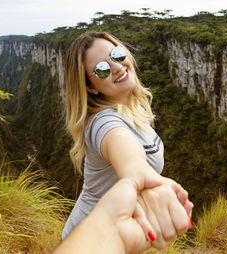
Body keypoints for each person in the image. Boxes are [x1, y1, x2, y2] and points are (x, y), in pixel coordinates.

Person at [62, 31, 193, 249]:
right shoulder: (102, 122)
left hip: (117, 237)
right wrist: (145, 178)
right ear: (91, 87)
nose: (116, 66)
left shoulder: (132, 110)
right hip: (88, 241)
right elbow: (127, 154)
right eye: (101, 69)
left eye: (116, 54)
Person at [53, 177, 192, 254]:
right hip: (86, 232)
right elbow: (132, 161)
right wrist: (159, 183)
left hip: (107, 234)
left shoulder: (143, 125)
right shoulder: (104, 124)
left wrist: (118, 233)